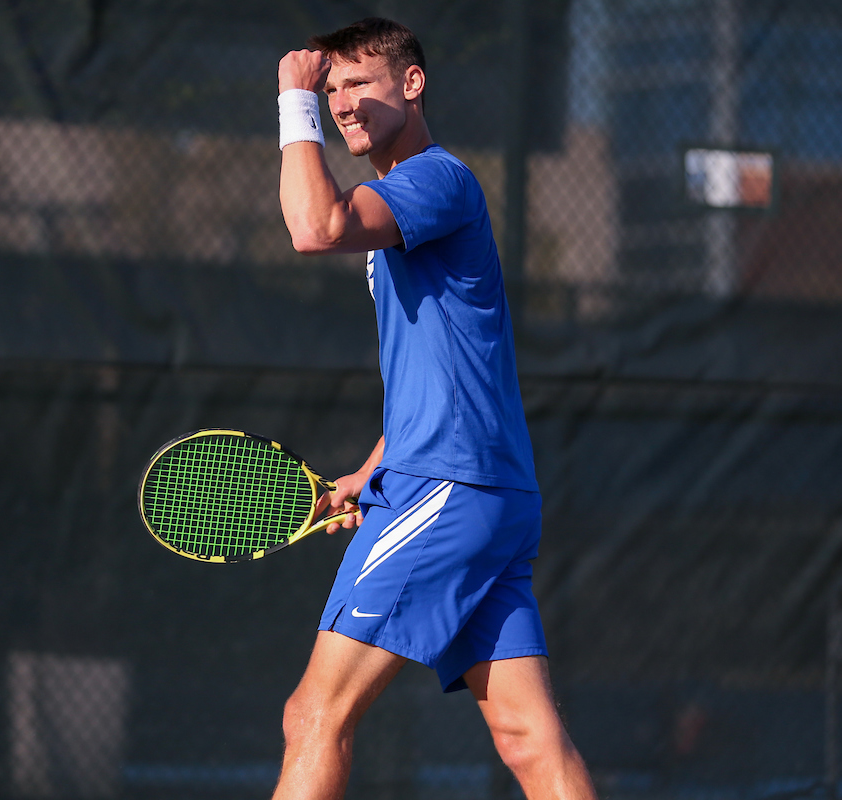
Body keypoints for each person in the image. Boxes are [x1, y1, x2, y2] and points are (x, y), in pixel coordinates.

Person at [274, 17, 598, 800]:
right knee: (529, 741)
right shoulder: (412, 204)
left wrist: (294, 103)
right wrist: (372, 470)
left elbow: (315, 228)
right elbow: (451, 369)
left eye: (359, 85)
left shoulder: (434, 179)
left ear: (411, 85)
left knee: (315, 712)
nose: (342, 103)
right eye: (331, 89)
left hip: (447, 490)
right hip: (486, 492)